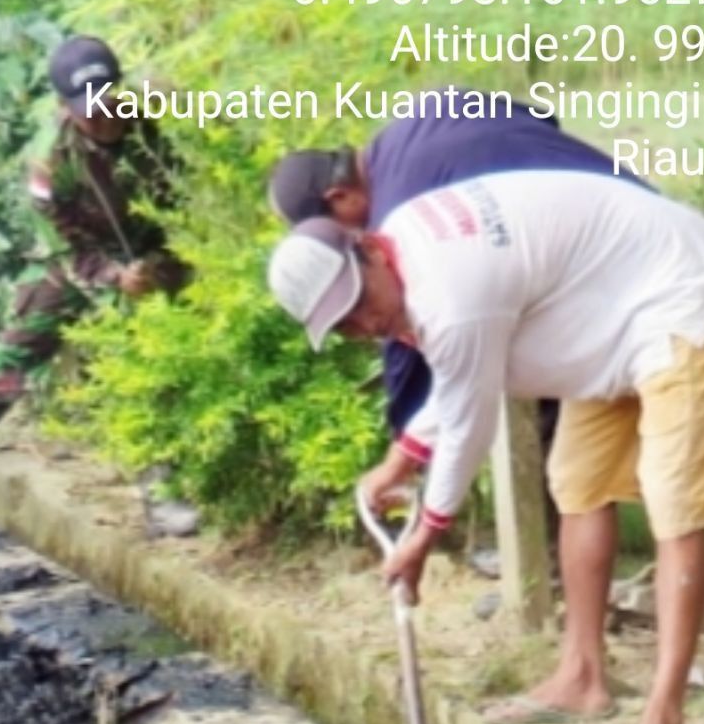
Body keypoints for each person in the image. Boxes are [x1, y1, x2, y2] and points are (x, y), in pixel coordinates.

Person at [267, 169, 704, 724]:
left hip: (684, 295)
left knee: (673, 503)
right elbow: (465, 382)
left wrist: (422, 539)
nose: (364, 327)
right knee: (578, 486)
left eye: (358, 304)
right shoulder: (412, 259)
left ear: (371, 251)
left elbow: (468, 422)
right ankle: (584, 676)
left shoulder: (449, 291)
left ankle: (664, 712)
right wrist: (402, 459)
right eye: (343, 324)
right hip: (608, 313)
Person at [266, 100, 648, 544]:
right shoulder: (416, 121)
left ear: (341, 199)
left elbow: (409, 343)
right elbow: (541, 116)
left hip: (616, 275)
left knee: (533, 400)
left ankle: (542, 563)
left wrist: (409, 465)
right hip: (627, 213)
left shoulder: (400, 215)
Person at [0, 36, 193, 530]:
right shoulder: (51, 160)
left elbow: (192, 202)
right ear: (62, 106)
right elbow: (67, 247)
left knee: (146, 356)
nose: (100, 117)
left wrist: (157, 264)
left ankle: (161, 496)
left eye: (107, 100)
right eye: (86, 109)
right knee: (16, 349)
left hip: (153, 252)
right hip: (80, 257)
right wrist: (115, 277)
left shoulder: (158, 124)